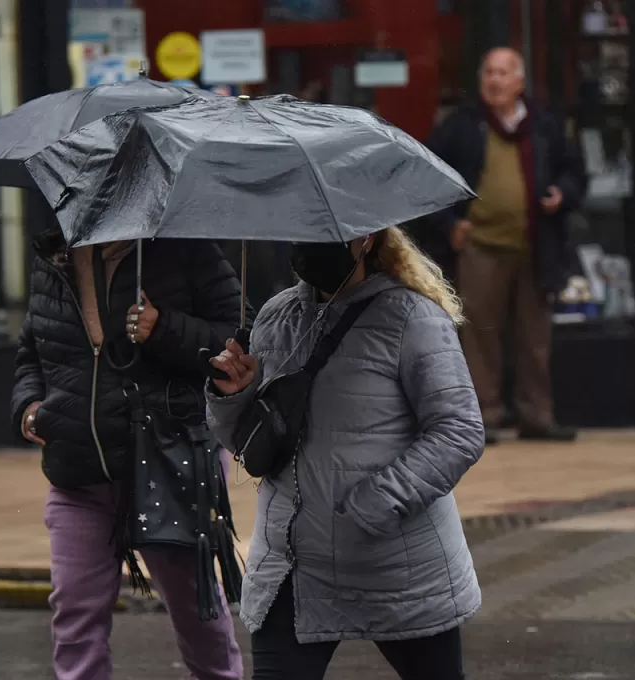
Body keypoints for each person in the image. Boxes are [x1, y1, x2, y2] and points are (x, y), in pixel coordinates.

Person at [205, 227, 483, 679]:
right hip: (291, 567)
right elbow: (253, 444)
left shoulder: (413, 316)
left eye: (324, 232)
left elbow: (459, 430)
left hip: (395, 563)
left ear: (367, 237)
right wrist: (234, 395)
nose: (307, 243)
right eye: (299, 229)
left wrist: (375, 504)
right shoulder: (277, 315)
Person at [10, 231, 246, 680]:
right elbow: (32, 353)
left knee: (198, 616)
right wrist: (28, 408)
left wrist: (164, 328)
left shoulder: (183, 249)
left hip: (166, 462)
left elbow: (236, 338)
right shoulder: (53, 259)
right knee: (74, 617)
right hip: (80, 471)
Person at [424, 46, 586, 444]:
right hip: (479, 246)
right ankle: (485, 417)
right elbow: (428, 176)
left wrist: (562, 195)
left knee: (534, 338)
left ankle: (537, 416)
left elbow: (576, 173)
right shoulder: (462, 126)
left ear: (520, 82)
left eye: (503, 73)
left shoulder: (544, 126)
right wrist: (449, 225)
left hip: (535, 244)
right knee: (480, 335)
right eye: (489, 74)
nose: (495, 81)